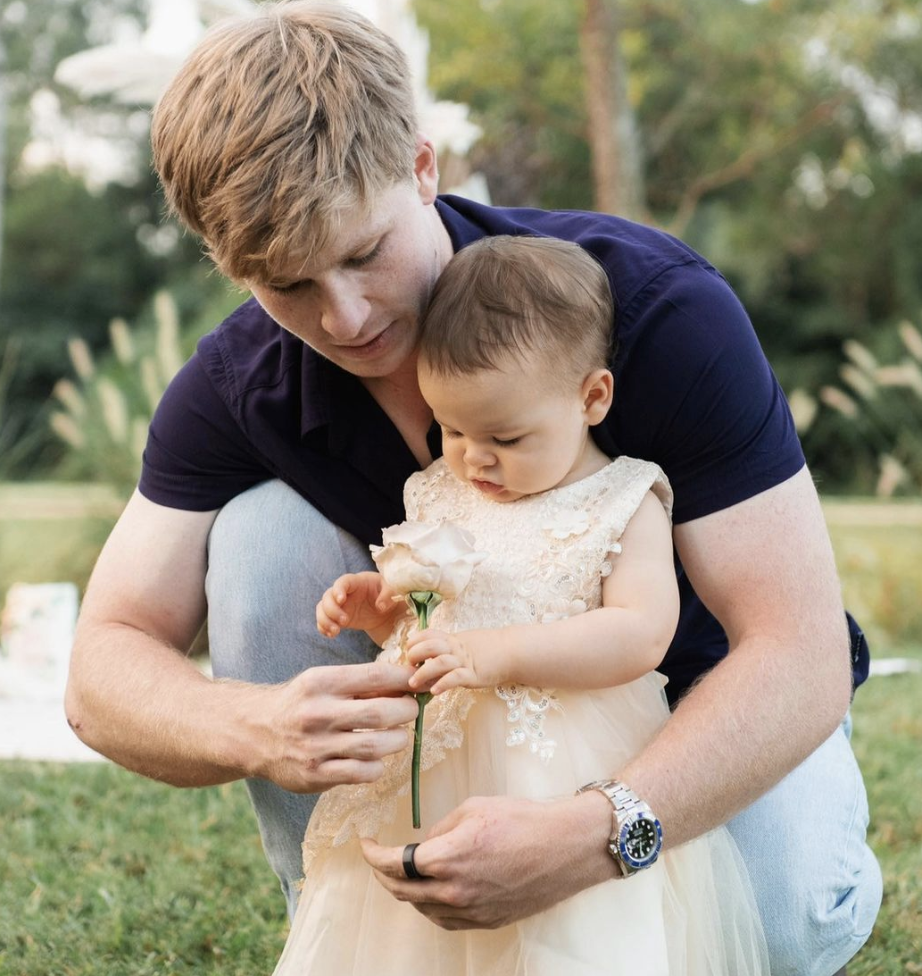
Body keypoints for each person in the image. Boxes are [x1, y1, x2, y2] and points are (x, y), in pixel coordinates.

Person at [64, 3, 880, 975]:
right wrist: (257, 724)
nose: (345, 315)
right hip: (456, 730)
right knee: (260, 531)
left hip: (692, 696)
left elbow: (797, 650)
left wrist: (589, 833)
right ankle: (338, 902)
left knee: (784, 926)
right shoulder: (241, 383)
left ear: (422, 167)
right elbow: (98, 669)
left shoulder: (654, 311)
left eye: (363, 252)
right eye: (285, 285)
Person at [271, 234, 770, 975]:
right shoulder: (444, 486)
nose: (474, 458)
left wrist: (492, 654)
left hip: (564, 764)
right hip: (440, 762)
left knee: (567, 939)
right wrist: (385, 612)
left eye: (506, 436)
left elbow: (639, 635)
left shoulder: (624, 499)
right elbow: (433, 611)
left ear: (591, 397)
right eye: (453, 428)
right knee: (419, 938)